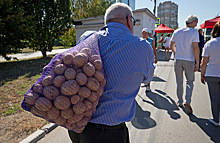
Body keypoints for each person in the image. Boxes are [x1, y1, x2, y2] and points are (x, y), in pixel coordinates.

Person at [68, 3, 155, 143]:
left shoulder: (87, 39)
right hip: (109, 133)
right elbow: (147, 79)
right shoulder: (143, 46)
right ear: (128, 20)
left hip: (76, 125)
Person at [170, 15, 200, 114]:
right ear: (192, 22)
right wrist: (197, 62)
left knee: (179, 82)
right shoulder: (194, 32)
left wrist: (175, 53)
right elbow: (195, 47)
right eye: (196, 22)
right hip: (189, 60)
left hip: (178, 59)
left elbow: (171, 45)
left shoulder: (177, 31)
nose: (196, 24)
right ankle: (187, 101)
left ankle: (180, 101)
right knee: (190, 82)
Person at [200, 21, 220, 127]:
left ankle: (216, 119)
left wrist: (202, 74)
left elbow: (204, 62)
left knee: (215, 98)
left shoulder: (209, 43)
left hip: (212, 74)